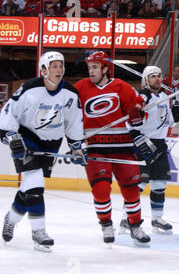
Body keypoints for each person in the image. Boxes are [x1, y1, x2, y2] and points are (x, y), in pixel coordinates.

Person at [1, 51, 86, 252]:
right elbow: (9, 114)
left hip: (51, 142)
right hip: (26, 138)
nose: (59, 70)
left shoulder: (70, 94)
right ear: (43, 69)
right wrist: (11, 137)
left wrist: (77, 148)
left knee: (30, 188)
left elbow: (74, 122)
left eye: (61, 65)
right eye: (54, 66)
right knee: (36, 183)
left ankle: (11, 218)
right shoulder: (29, 89)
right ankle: (39, 232)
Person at [74, 51, 150, 247]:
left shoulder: (120, 87)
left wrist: (137, 116)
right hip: (95, 148)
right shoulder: (80, 88)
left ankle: (135, 226)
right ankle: (106, 224)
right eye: (89, 67)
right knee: (101, 189)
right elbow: (69, 115)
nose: (91, 71)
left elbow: (139, 115)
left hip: (123, 147)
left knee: (131, 189)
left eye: (95, 67)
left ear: (106, 68)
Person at [122, 65, 179, 235]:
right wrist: (136, 136)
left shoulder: (165, 96)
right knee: (138, 184)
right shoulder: (142, 96)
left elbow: (170, 121)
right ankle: (126, 218)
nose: (157, 79)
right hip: (143, 143)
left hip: (159, 144)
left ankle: (157, 218)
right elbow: (130, 120)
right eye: (153, 76)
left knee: (159, 183)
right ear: (146, 80)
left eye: (159, 76)